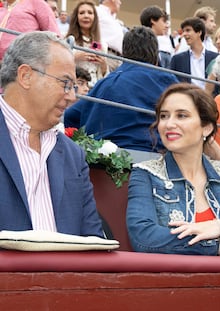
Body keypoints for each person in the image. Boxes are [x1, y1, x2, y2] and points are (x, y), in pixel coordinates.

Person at [126, 83, 220, 257]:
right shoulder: (145, 174)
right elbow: (143, 237)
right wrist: (217, 247)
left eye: (182, 115)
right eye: (164, 116)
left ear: (206, 127)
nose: (169, 124)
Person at [0, 31, 103, 236]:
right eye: (65, 83)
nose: (72, 97)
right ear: (26, 76)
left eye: (74, 87)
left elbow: (93, 241)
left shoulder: (74, 156)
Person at [64, 26, 179, 152]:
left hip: (103, 159)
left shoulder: (104, 83)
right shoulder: (167, 80)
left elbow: (70, 116)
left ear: (124, 52)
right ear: (156, 54)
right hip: (155, 155)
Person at [66, 0, 108, 87]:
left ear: (94, 17)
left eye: (90, 13)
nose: (86, 16)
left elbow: (104, 78)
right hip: (74, 87)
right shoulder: (67, 40)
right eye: (82, 13)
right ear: (76, 17)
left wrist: (103, 66)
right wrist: (75, 57)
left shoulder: (103, 45)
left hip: (94, 89)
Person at [169, 17, 218, 89]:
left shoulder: (216, 58)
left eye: (188, 30)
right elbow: (172, 84)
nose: (184, 34)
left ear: (199, 32)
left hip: (209, 99)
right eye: (183, 31)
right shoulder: (177, 59)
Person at [96, 0, 124, 72]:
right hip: (105, 55)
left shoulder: (115, 20)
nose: (120, 2)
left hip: (119, 59)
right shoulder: (97, 11)